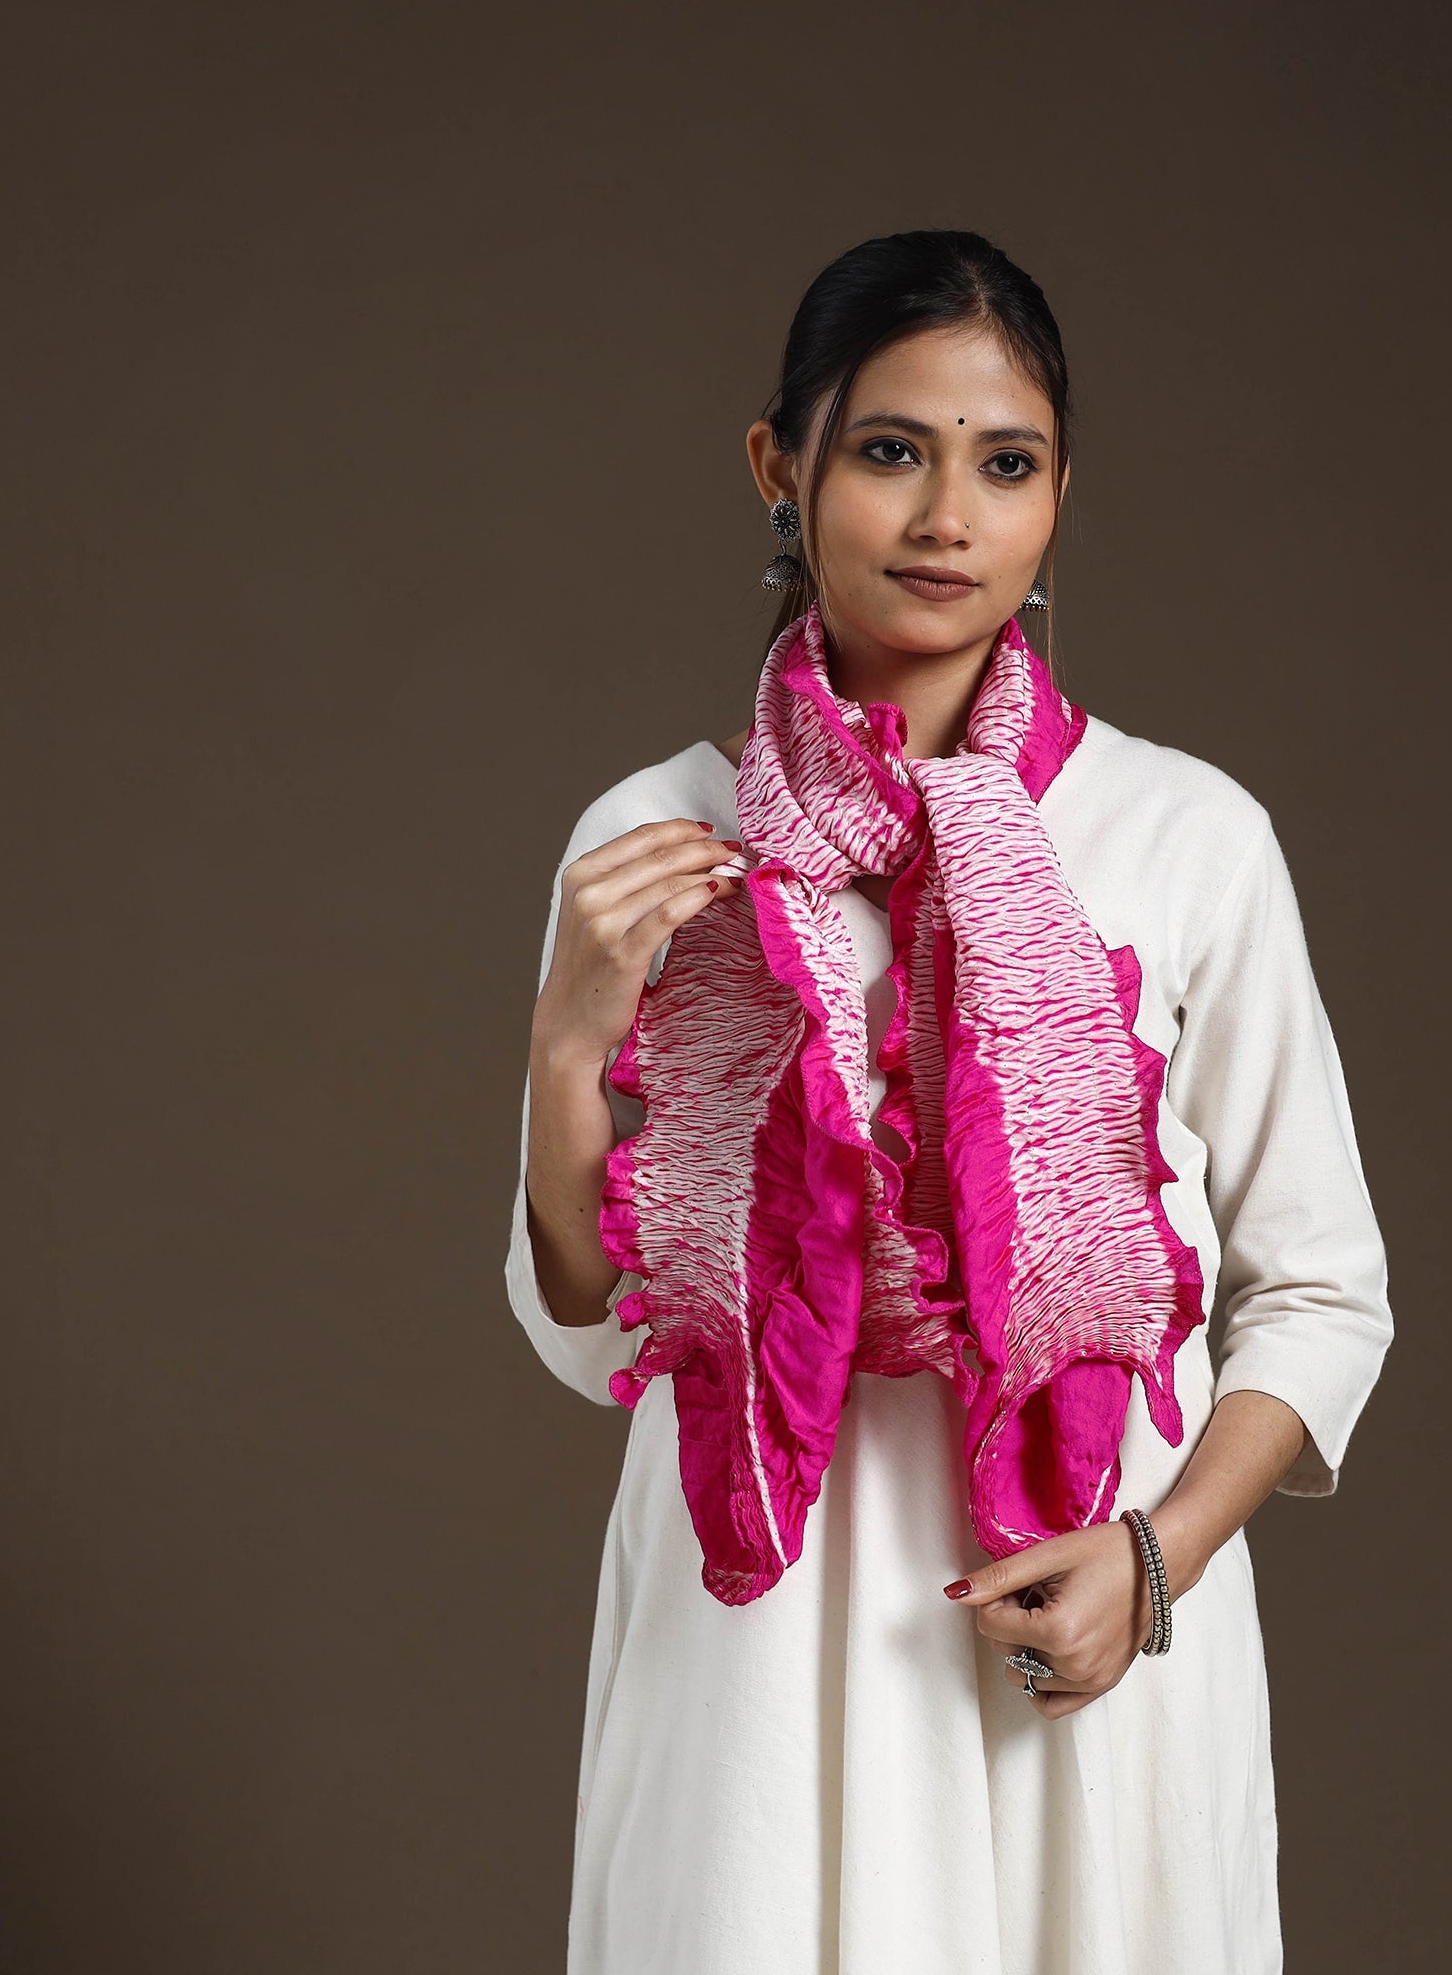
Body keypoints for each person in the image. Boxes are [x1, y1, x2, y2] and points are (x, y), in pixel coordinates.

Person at [505, 228, 1395, 1975]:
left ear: (1061, 496)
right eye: (891, 450)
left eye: (1006, 465)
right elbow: (590, 1326)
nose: (945, 518)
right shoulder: (660, 837)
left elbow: (1323, 1287)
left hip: (1084, 1617)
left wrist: (1157, 1563)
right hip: (757, 1645)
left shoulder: (1185, 835)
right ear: (781, 466)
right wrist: (563, 1050)